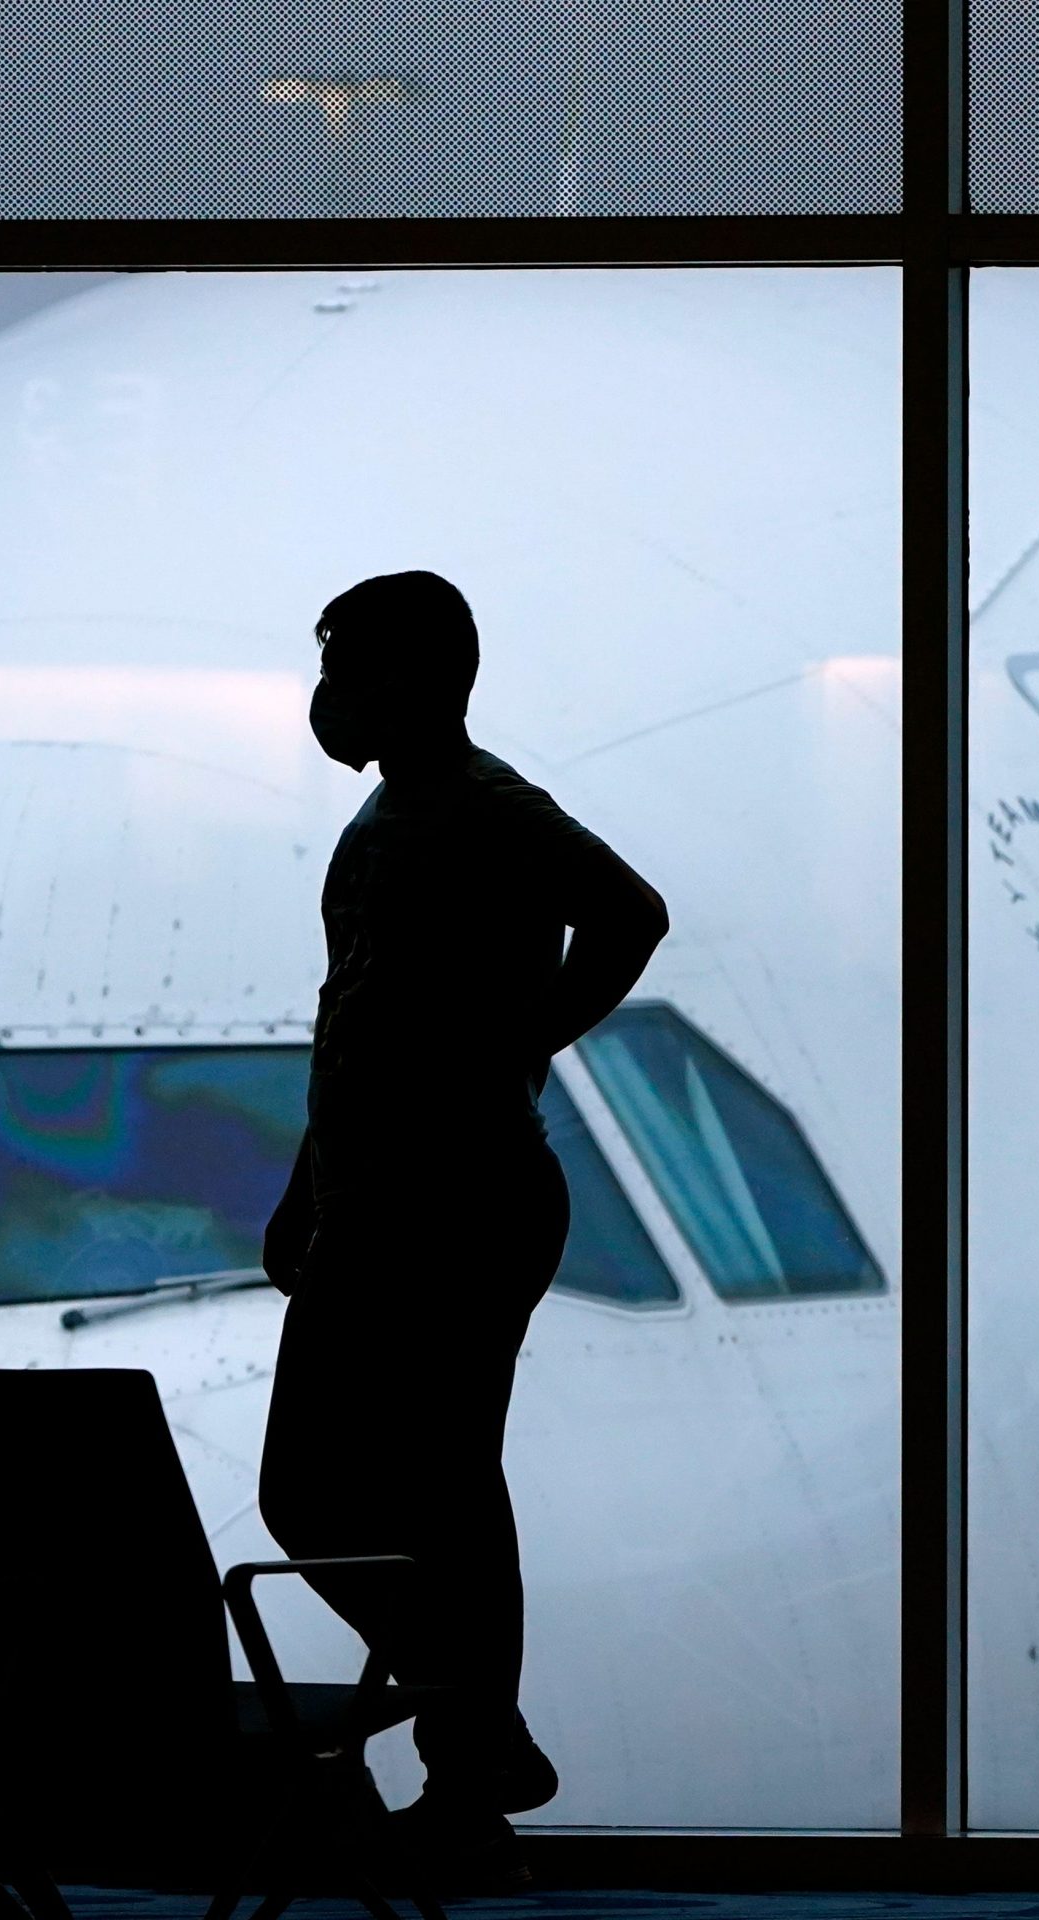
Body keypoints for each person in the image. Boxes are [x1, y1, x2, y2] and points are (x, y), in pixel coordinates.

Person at [257, 570, 669, 1884]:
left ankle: (467, 1752)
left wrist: (523, 1042)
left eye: (355, 668)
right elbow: (356, 1020)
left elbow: (629, 913)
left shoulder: (488, 810)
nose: (332, 696)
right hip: (382, 1205)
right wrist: (307, 1185)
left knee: (397, 1491)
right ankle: (474, 1739)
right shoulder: (387, 817)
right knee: (362, 1494)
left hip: (460, 1205)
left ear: (426, 678)